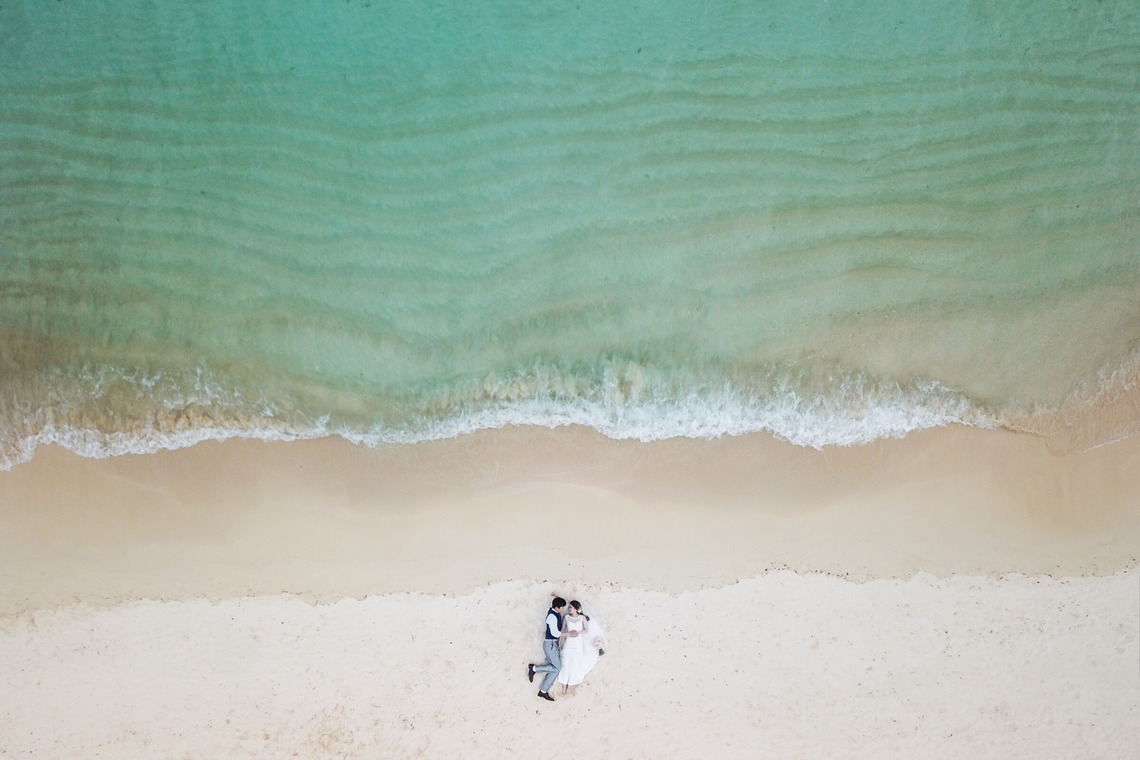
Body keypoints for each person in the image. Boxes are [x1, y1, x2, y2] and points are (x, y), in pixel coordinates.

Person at [528, 596, 566, 701]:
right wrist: (569, 634)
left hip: (552, 644)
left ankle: (543, 691)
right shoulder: (552, 617)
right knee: (557, 668)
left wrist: (556, 597)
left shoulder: (555, 611)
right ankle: (534, 668)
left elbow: (557, 604)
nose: (563, 609)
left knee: (555, 669)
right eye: (562, 607)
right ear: (557, 607)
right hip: (550, 644)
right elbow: (556, 633)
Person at [556, 600, 590, 692]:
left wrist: (577, 632)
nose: (569, 609)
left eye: (571, 607)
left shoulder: (582, 618)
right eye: (569, 607)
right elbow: (563, 630)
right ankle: (563, 683)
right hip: (568, 642)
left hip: (578, 643)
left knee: (574, 663)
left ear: (576, 608)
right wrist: (560, 643)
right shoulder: (566, 617)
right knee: (565, 662)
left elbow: (586, 630)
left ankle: (570, 684)